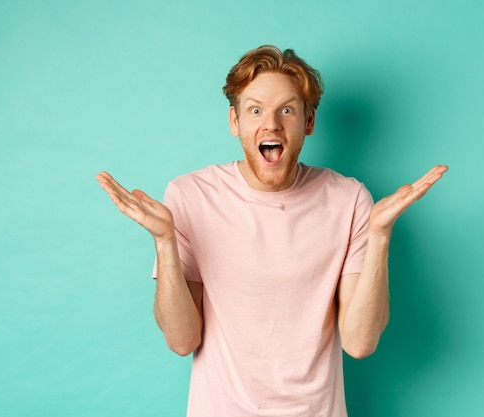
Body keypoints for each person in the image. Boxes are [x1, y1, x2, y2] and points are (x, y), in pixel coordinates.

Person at [96, 45, 447, 417]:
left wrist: (380, 236)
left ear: (309, 122)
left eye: (288, 110)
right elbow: (182, 341)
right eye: (255, 109)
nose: (272, 124)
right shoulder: (189, 196)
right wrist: (165, 241)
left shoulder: (349, 199)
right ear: (235, 122)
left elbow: (360, 343)